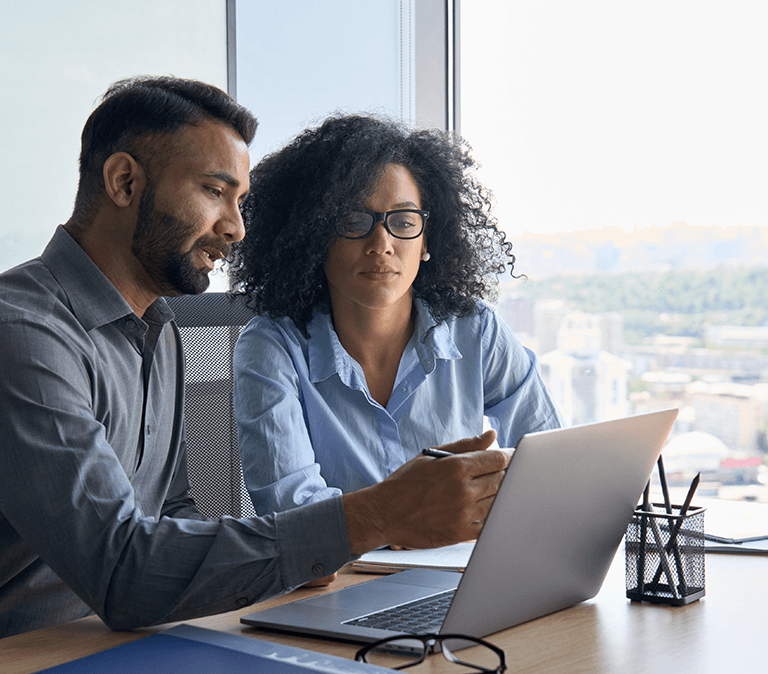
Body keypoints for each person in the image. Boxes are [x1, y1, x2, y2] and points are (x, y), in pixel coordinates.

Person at [0, 77, 512, 638]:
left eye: (239, 202)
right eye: (214, 192)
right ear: (124, 182)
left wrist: (291, 559)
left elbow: (172, 514)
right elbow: (123, 571)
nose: (236, 228)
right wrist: (375, 517)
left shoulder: (158, 329)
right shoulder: (24, 335)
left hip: (128, 642)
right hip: (32, 651)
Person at [229, 114, 563, 517]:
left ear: (427, 240)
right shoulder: (271, 347)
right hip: (341, 578)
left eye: (404, 222)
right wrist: (405, 520)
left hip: (463, 569)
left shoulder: (475, 330)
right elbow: (294, 514)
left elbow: (551, 464)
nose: (382, 243)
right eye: (354, 221)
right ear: (314, 235)